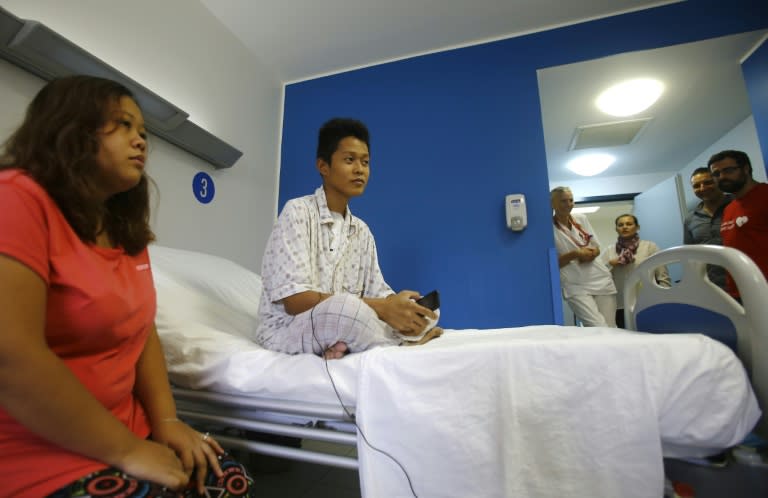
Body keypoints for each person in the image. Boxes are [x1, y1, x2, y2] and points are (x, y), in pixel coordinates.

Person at [0, 76, 255, 497]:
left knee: (228, 481)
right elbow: (12, 357)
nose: (140, 141)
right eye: (122, 124)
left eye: (143, 132)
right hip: (37, 445)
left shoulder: (124, 231)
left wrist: (167, 421)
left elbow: (143, 331)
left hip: (127, 426)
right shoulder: (18, 199)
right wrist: (128, 451)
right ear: (72, 128)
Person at [255, 118, 442, 359]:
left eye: (365, 162)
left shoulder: (362, 231)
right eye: (349, 160)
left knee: (425, 313)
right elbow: (295, 301)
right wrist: (383, 308)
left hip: (340, 324)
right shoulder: (297, 212)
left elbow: (377, 292)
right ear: (323, 166)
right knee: (346, 308)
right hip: (287, 330)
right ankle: (403, 344)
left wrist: (400, 305)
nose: (360, 169)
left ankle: (368, 340)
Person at [551, 187, 617, 327]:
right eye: (563, 201)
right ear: (552, 204)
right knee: (597, 326)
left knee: (611, 328)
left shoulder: (581, 219)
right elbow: (551, 263)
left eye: (571, 200)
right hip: (575, 284)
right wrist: (575, 254)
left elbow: (596, 247)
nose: (569, 204)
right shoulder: (548, 227)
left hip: (600, 278)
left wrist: (592, 253)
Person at [708, 149, 768, 298]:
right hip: (740, 293)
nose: (722, 177)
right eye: (716, 174)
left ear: (746, 169)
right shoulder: (729, 209)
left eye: (728, 170)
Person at [604, 214, 671, 328]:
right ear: (616, 229)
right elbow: (600, 275)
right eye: (620, 225)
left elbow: (663, 276)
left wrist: (665, 300)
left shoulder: (650, 247)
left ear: (637, 227)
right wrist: (611, 264)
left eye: (629, 224)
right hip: (620, 306)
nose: (625, 227)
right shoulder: (609, 251)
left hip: (648, 303)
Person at [683, 167, 731, 289]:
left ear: (718, 181)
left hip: (749, 280)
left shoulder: (738, 205)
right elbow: (690, 256)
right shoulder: (690, 220)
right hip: (713, 288)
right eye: (696, 186)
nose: (702, 188)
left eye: (708, 182)